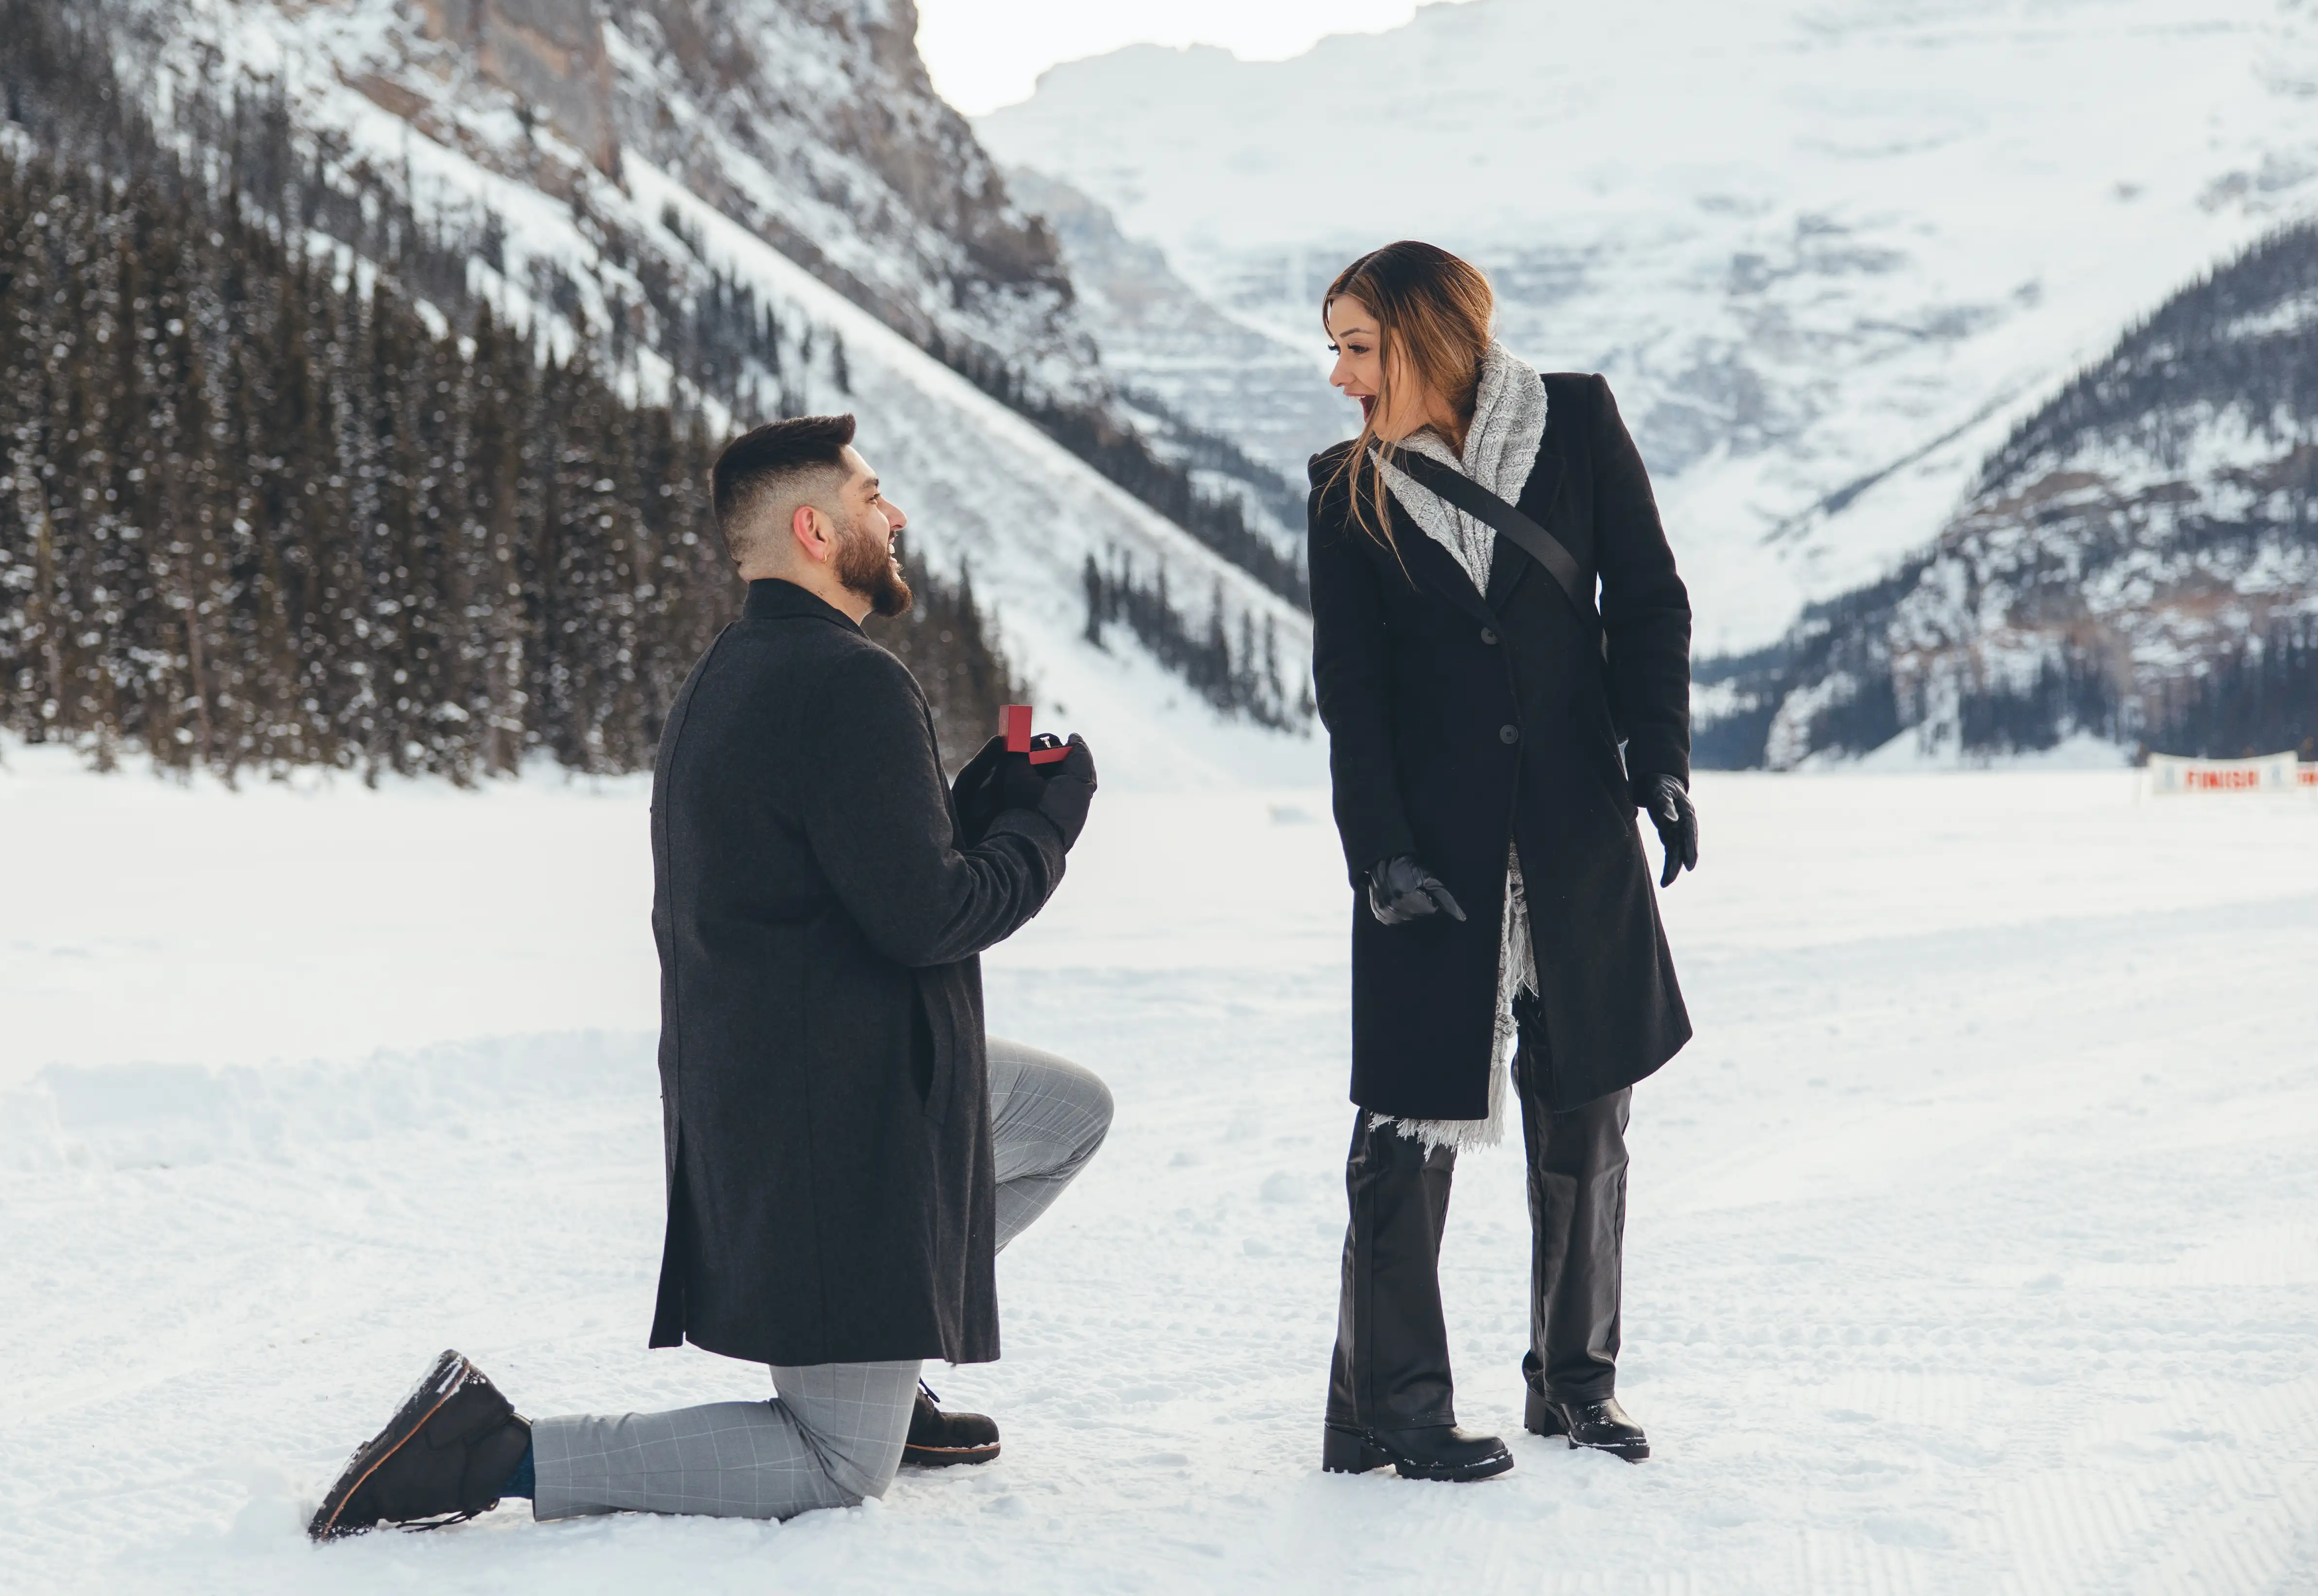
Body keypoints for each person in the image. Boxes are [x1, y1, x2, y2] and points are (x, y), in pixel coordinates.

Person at [307, 413, 1111, 1539]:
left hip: (782, 1089)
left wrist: (981, 805)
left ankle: (885, 1359)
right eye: (875, 496)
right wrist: (1046, 835)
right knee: (838, 1468)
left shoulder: (738, 672)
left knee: (1068, 1113)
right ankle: (490, 1452)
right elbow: (931, 920)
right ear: (815, 529)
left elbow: (864, 866)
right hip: (837, 1127)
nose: (898, 514)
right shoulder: (851, 684)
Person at [1305, 242, 1698, 1483]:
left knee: (1587, 1114)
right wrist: (1379, 854)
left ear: (1431, 336)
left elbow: (1645, 602)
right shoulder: (1342, 486)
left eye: (1359, 346)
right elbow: (1350, 698)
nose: (1340, 377)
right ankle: (1391, 1410)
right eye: (1336, 347)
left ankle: (1575, 1385)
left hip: (1577, 826)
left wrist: (1662, 759)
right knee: (1409, 1130)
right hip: (1432, 852)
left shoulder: (1576, 422)